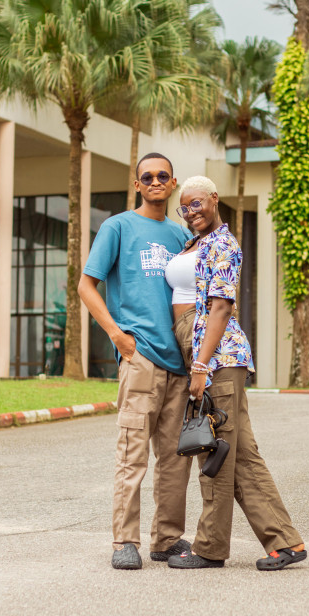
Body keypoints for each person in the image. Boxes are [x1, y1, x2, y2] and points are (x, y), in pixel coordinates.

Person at [164, 175, 307, 571]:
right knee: (240, 454)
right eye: (185, 207)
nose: (192, 212)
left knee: (214, 451)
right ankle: (285, 543)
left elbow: (222, 308)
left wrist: (200, 365)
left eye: (198, 203)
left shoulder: (223, 243)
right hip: (208, 352)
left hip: (218, 356)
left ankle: (210, 548)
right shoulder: (195, 242)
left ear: (214, 199)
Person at [78, 153, 192, 570]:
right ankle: (125, 541)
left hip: (179, 363)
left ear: (173, 182)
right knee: (133, 454)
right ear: (138, 184)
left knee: (175, 459)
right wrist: (118, 337)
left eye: (163, 175)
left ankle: (167, 539)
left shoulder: (181, 236)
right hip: (140, 355)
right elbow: (86, 285)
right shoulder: (118, 227)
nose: (156, 181)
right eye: (148, 176)